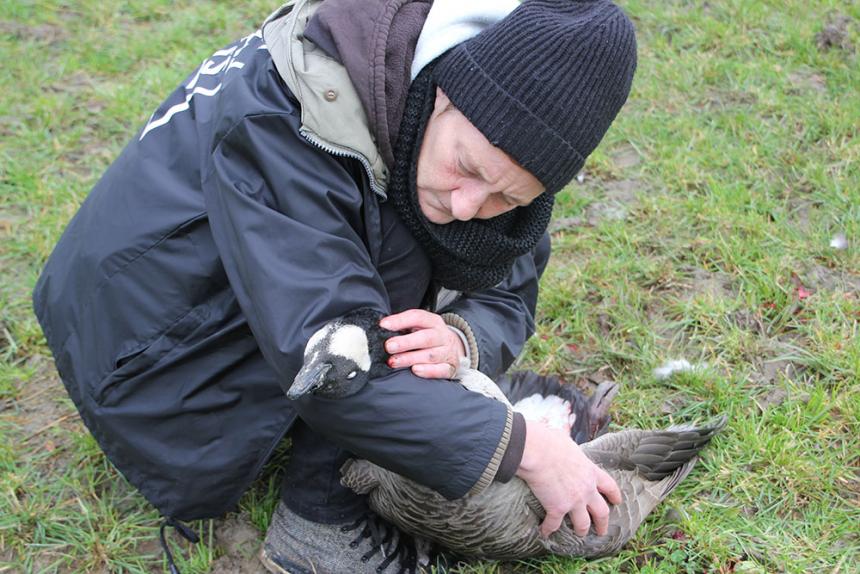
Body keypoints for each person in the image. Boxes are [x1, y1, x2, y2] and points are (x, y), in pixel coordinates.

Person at [32, 0, 637, 572]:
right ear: (445, 93)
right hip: (145, 364)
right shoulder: (289, 118)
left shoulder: (456, 108)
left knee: (429, 224)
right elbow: (327, 357)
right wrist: (523, 447)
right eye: (467, 168)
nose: (467, 204)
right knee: (400, 243)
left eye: (508, 197)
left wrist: (461, 339)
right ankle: (320, 526)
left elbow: (510, 290)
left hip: (231, 306)